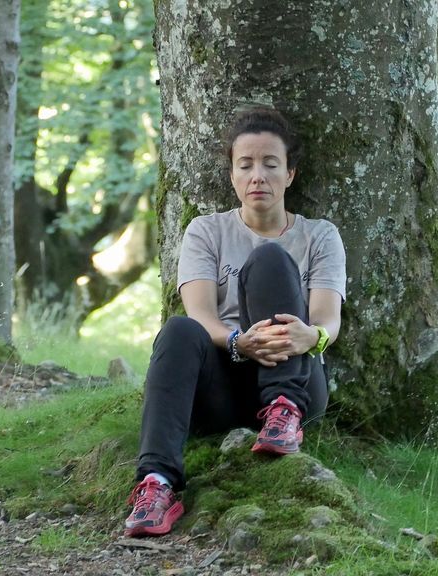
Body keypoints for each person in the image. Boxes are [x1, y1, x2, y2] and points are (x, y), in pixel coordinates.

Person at [123, 107, 347, 537]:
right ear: (232, 176)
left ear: (290, 175)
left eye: (270, 164)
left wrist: (311, 335)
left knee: (268, 259)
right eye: (245, 165)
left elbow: (327, 321)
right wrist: (238, 343)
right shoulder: (206, 232)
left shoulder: (320, 236)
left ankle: (282, 414)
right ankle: (157, 485)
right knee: (177, 329)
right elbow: (201, 315)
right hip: (225, 379)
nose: (257, 176)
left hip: (298, 380)